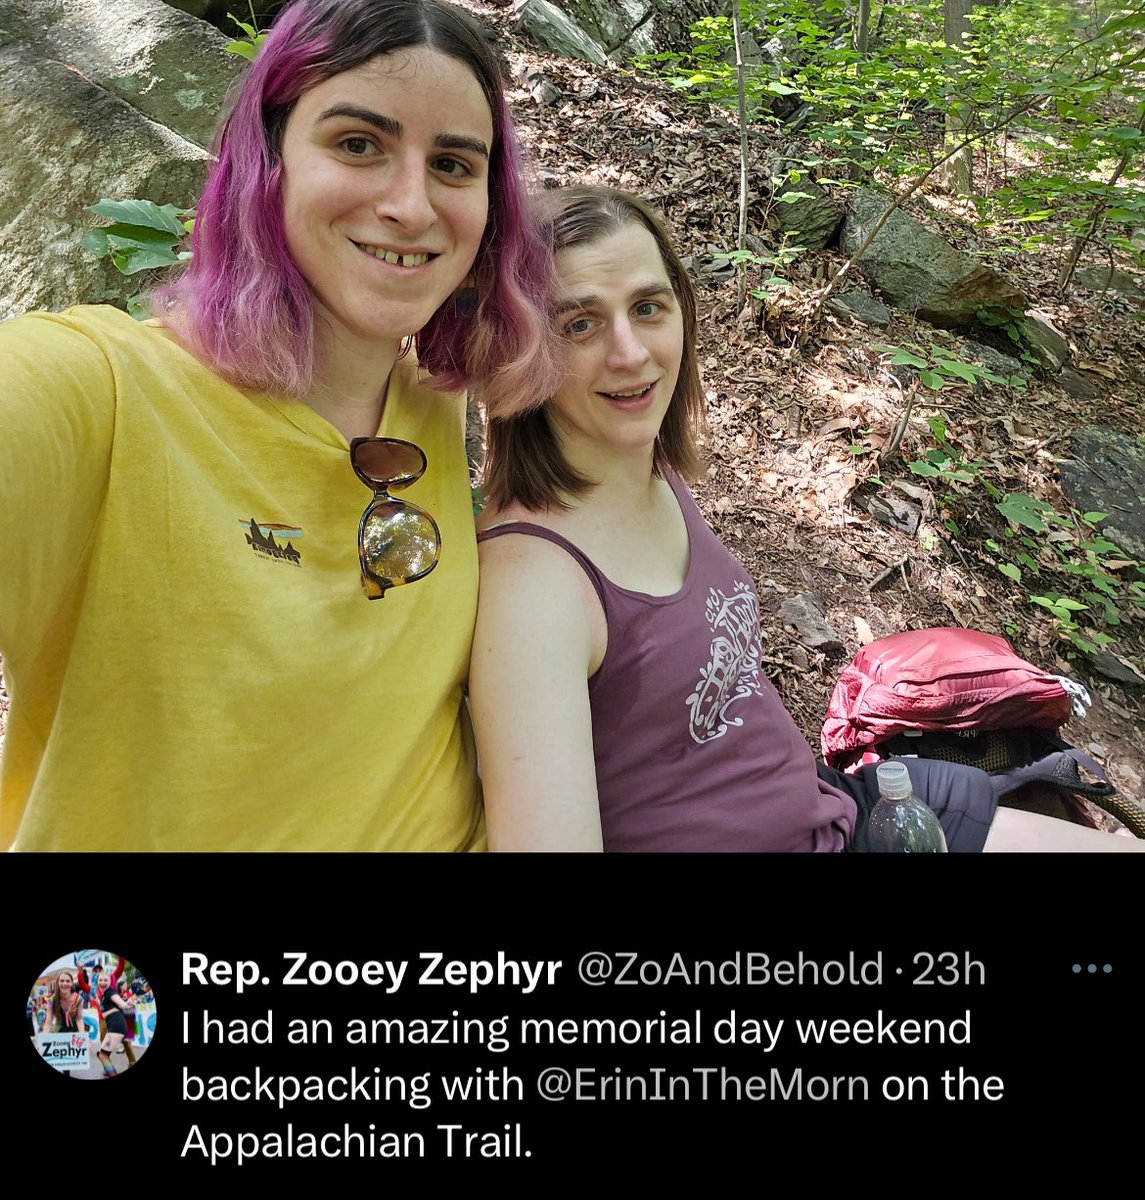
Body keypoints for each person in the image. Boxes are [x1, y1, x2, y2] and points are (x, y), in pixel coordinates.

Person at [0, 0, 555, 851]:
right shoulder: (101, 391)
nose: (411, 205)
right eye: (358, 143)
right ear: (268, 161)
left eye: (451, 163)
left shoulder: (438, 400)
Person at [469, 185, 1144, 854]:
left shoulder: (644, 470)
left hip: (840, 809)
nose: (630, 353)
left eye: (647, 307)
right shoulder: (533, 587)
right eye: (579, 323)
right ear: (523, 345)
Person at [97, 976, 136, 1077]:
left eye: (105, 980)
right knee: (101, 1054)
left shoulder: (111, 992)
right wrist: (115, 1009)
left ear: (110, 982)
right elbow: (103, 1015)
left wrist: (128, 1003)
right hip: (113, 1026)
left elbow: (123, 1005)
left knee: (103, 1055)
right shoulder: (104, 995)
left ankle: (112, 1072)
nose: (102, 982)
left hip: (116, 1026)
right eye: (100, 980)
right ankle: (109, 1071)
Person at [43, 969, 85, 1035]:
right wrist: (44, 1038)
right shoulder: (51, 1000)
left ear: (71, 983)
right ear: (58, 983)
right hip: (59, 1028)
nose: (64, 983)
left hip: (75, 1028)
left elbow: (79, 1019)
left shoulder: (78, 999)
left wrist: (83, 1036)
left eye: (67, 981)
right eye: (62, 981)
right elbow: (48, 1022)